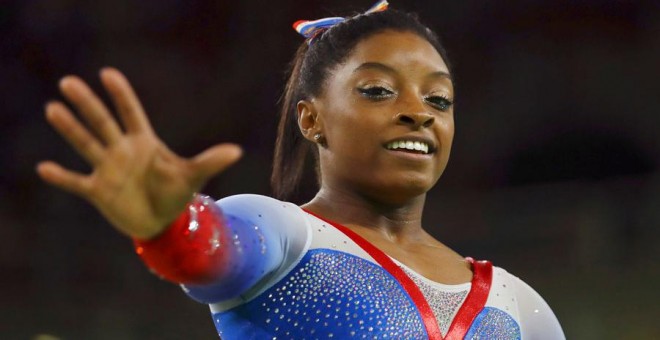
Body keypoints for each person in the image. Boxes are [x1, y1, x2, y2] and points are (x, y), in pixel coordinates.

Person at [36, 1, 565, 339]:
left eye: (440, 99)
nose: (419, 111)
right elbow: (212, 252)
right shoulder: (289, 239)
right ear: (311, 119)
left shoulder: (517, 306)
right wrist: (170, 225)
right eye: (378, 90)